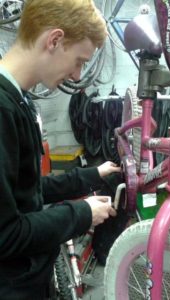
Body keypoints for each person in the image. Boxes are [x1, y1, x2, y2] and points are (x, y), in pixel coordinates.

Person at [0, 0, 120, 299]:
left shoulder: (19, 99)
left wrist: (91, 175)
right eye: (79, 60)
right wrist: (80, 214)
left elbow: (26, 190)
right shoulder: (2, 109)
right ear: (54, 40)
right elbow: (4, 234)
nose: (78, 76)